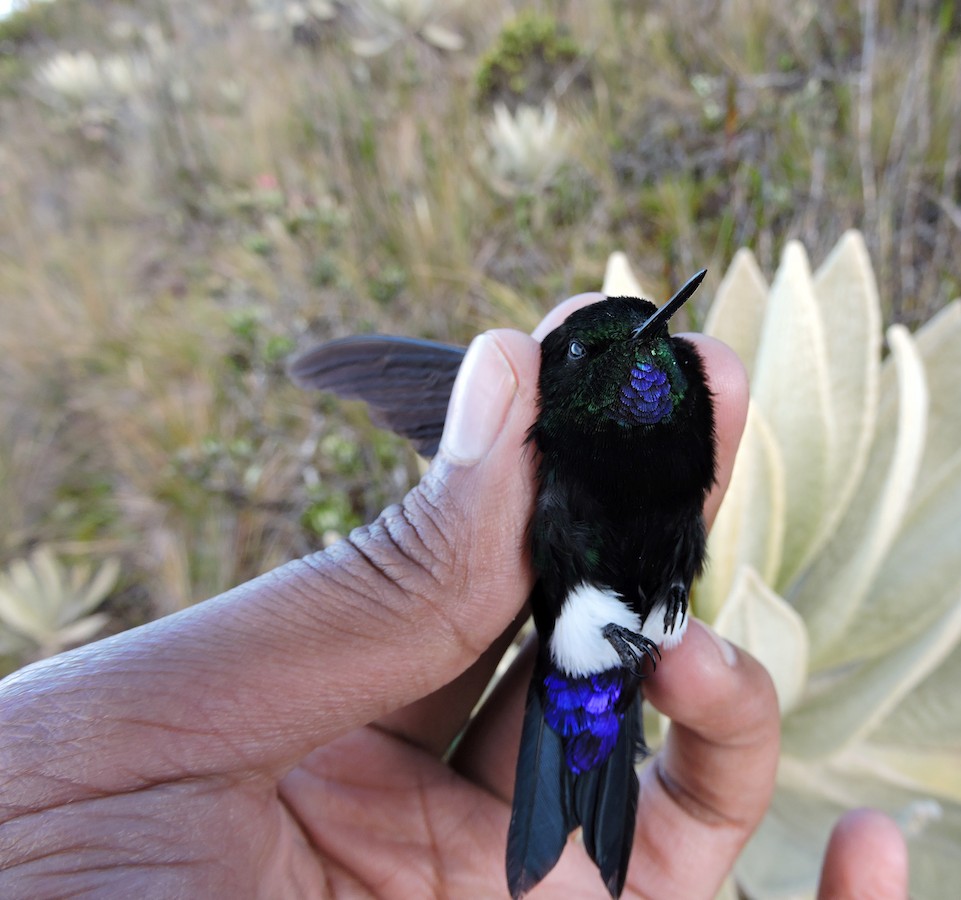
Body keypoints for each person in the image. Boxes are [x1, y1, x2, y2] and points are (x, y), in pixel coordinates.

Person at [0, 295, 909, 898]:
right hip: (588, 624)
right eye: (608, 347)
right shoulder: (553, 423)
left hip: (624, 627)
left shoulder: (677, 421)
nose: (650, 348)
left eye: (654, 340)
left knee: (637, 691)